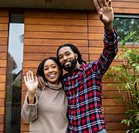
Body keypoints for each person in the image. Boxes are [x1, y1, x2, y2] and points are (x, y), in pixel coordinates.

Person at [55, 0, 118, 132]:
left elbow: (110, 51)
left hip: (95, 129)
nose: (64, 58)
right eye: (60, 57)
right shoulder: (63, 81)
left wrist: (108, 26)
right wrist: (40, 79)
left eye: (67, 54)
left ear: (76, 55)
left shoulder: (93, 69)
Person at [21, 57, 68, 133]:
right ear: (43, 73)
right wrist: (31, 93)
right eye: (46, 69)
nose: (50, 70)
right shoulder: (37, 88)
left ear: (59, 69)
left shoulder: (67, 89)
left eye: (53, 67)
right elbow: (27, 118)